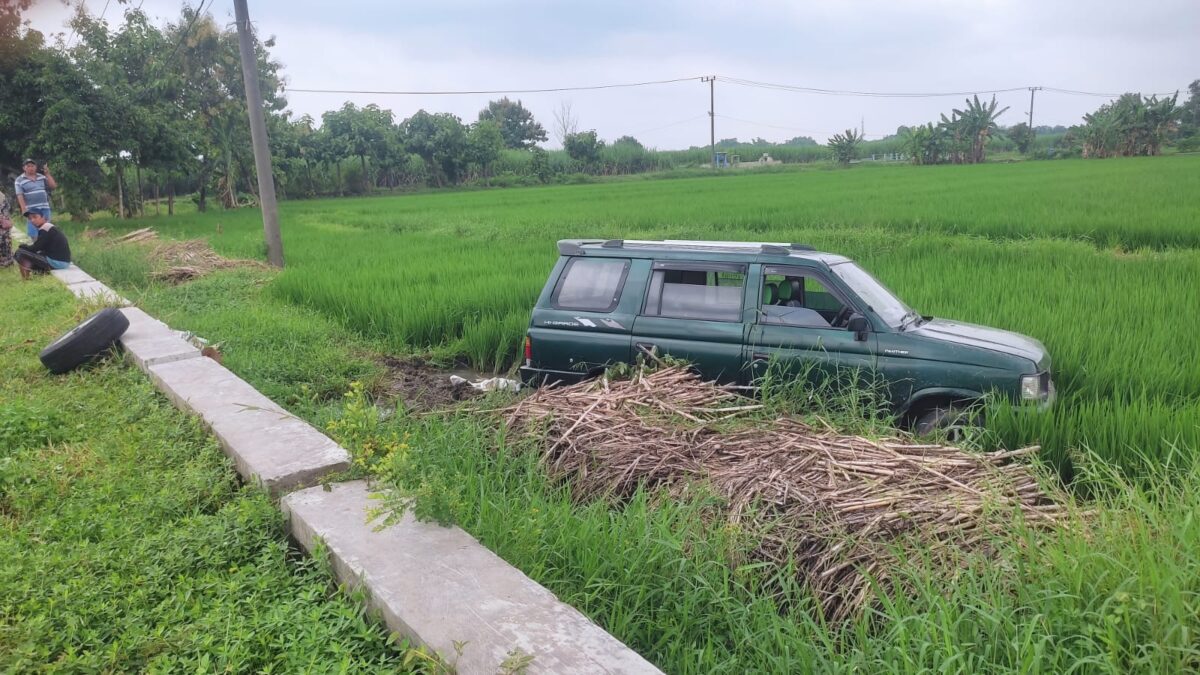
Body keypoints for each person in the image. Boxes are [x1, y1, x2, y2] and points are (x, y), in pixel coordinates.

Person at [14, 210, 71, 280]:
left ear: (43, 217)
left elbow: (35, 248)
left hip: (57, 262)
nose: (32, 220)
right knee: (34, 255)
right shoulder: (49, 227)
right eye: (30, 218)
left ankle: (25, 279)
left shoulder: (45, 228)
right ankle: (39, 274)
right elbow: (40, 247)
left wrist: (23, 246)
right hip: (62, 261)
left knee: (20, 252)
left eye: (35, 217)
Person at [14, 158, 56, 241]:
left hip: (44, 208)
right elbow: (20, 195)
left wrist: (47, 174)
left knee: (46, 230)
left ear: (36, 167)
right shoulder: (19, 180)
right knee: (33, 232)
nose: (31, 168)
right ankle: (36, 250)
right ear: (24, 168)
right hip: (31, 210)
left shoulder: (41, 177)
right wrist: (23, 209)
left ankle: (47, 251)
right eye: (28, 166)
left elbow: (53, 186)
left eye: (32, 166)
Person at [0, 191, 13, 267]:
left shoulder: (1, 196)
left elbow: (6, 212)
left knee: (5, 234)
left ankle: (7, 260)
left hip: (2, 222)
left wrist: (3, 219)